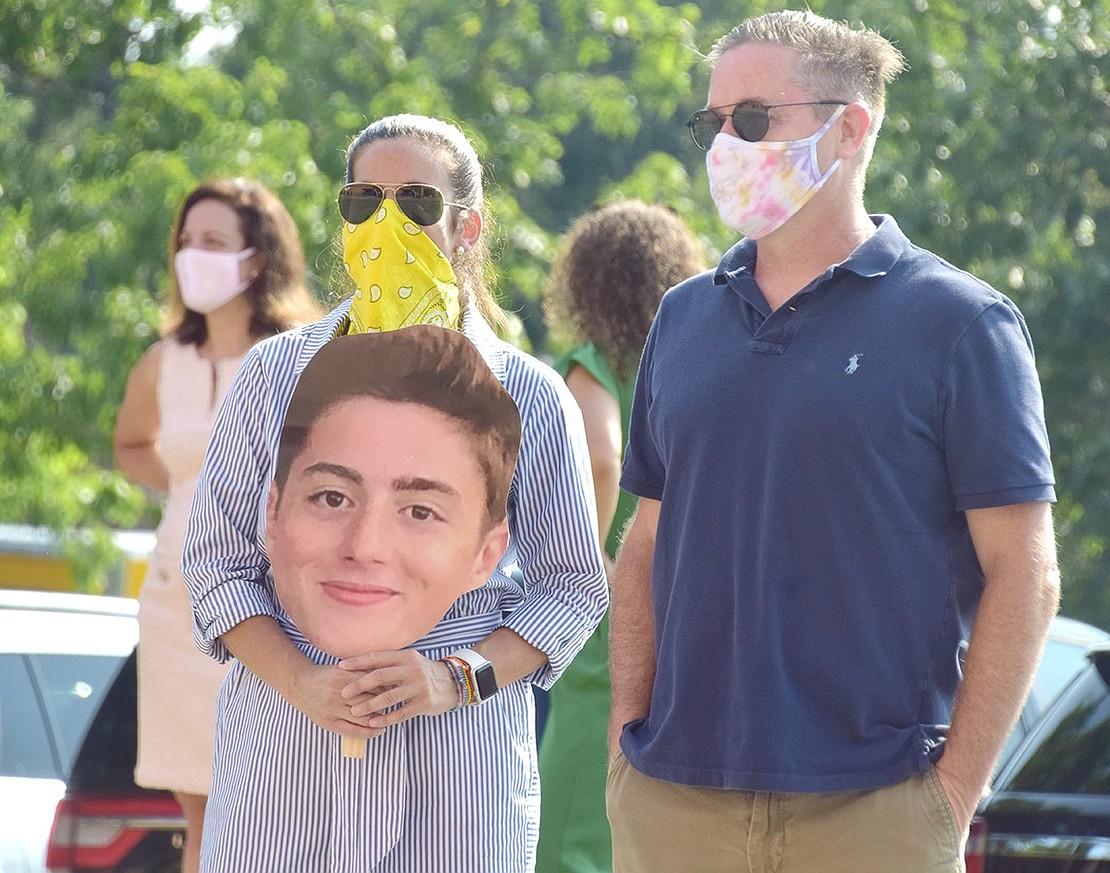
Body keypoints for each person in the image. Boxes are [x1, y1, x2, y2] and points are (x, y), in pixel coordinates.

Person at [607, 11, 1060, 873]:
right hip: (672, 805)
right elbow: (646, 543)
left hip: (875, 811)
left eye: (751, 119)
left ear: (850, 127)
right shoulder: (683, 317)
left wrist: (948, 798)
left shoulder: (962, 324)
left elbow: (1026, 574)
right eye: (713, 122)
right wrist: (626, 751)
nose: (724, 146)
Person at [181, 114, 607, 873]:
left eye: (415, 203)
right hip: (286, 760)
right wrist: (304, 682)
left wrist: (455, 680)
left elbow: (573, 588)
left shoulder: (530, 396)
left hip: (458, 772)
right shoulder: (275, 375)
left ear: (467, 225)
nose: (386, 224)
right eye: (362, 203)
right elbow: (216, 564)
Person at [113, 177, 321, 873]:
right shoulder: (162, 361)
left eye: (213, 242)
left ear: (256, 259)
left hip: (273, 606)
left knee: (274, 811)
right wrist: (190, 496)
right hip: (175, 606)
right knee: (199, 821)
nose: (192, 255)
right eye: (186, 241)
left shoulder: (303, 354)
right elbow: (131, 444)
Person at [536, 200, 704, 873]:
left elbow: (601, 453)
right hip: (681, 603)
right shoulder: (693, 354)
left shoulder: (594, 363)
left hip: (610, 616)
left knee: (570, 819)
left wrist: (590, 550)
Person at [266, 325, 521, 658]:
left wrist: (461, 679)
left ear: (485, 556)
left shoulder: (533, 387)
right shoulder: (270, 365)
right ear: (272, 511)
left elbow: (570, 586)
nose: (364, 547)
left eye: (420, 512)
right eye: (333, 498)